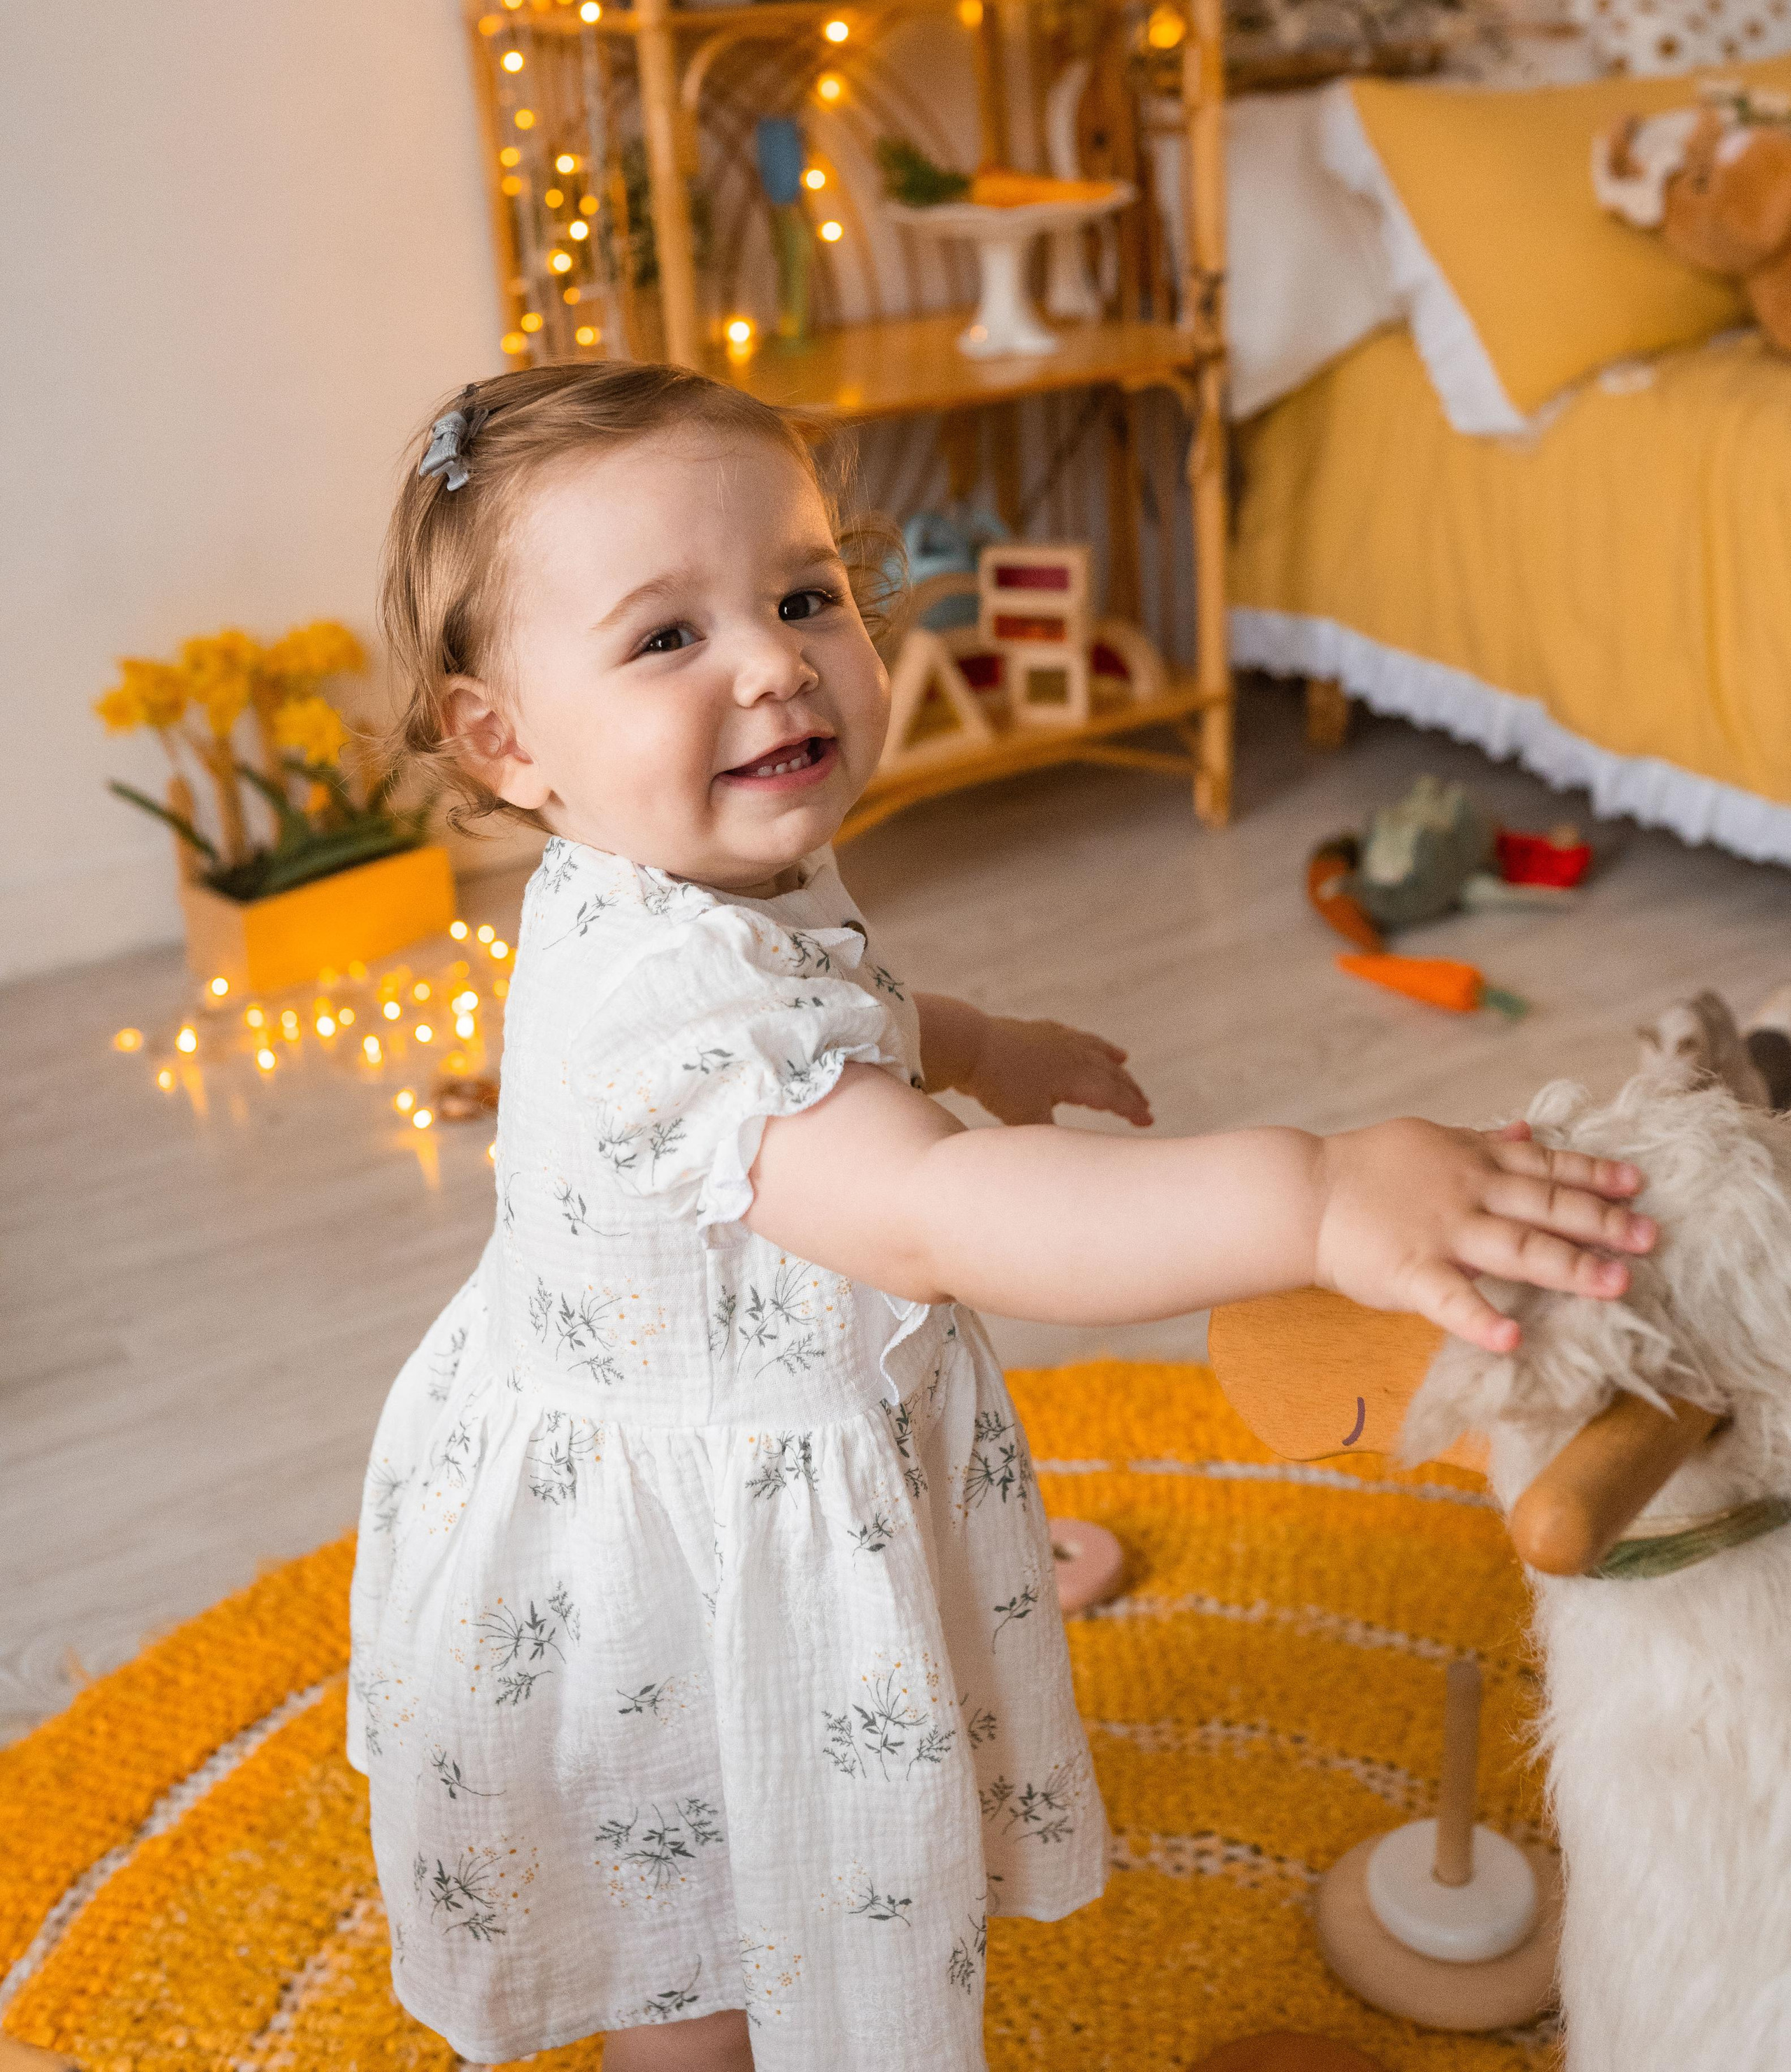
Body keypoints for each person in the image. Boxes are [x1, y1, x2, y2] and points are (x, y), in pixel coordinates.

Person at [349, 362, 1653, 2071]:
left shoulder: (693, 872)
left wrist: (969, 1040)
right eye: (666, 637)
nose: (771, 659)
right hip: (677, 1579)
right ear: (503, 740)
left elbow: (837, 1003)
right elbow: (932, 1210)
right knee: (698, 1959)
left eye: (804, 594)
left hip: (715, 1460)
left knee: (730, 1907)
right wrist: (1319, 1196)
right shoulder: (664, 1002)